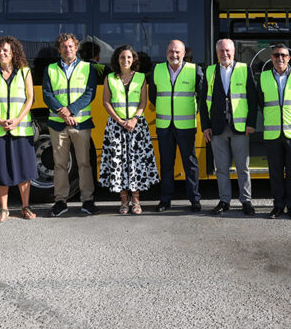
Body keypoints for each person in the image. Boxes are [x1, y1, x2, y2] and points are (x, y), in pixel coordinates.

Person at [42, 33, 99, 216]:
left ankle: (88, 200)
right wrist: (62, 112)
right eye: (64, 46)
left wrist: (71, 110)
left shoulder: (87, 68)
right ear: (59, 49)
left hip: (81, 123)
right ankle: (60, 201)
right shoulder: (50, 69)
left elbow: (90, 93)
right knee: (59, 164)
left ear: (76, 47)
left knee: (84, 163)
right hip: (57, 124)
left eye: (70, 46)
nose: (68, 49)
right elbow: (47, 94)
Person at [99, 45, 159, 214]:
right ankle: (124, 201)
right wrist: (119, 120)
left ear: (133, 60)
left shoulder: (140, 77)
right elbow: (106, 102)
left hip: (136, 126)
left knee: (135, 163)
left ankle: (136, 201)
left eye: (129, 57)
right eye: (122, 57)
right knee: (118, 163)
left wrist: (134, 119)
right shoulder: (110, 78)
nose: (125, 60)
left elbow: (143, 102)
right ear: (117, 60)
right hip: (116, 126)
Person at [0, 36, 37, 222]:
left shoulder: (25, 72)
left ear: (13, 52)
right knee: (1, 170)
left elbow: (30, 98)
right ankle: (4, 209)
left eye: (5, 50)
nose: (1, 53)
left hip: (20, 129)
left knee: (24, 170)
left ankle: (25, 206)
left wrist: (17, 120)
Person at [201, 39, 257, 216]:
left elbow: (253, 99)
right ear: (217, 53)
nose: (224, 54)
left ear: (234, 52)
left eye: (227, 50)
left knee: (243, 167)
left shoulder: (244, 69)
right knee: (221, 168)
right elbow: (203, 101)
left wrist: (251, 123)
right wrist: (205, 126)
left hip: (240, 127)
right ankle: (224, 200)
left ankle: (246, 201)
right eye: (221, 51)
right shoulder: (210, 71)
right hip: (217, 128)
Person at [149, 40, 207, 212]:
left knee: (190, 163)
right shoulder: (157, 69)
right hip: (164, 125)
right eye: (171, 51)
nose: (174, 55)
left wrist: (193, 110)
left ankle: (194, 199)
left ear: (184, 54)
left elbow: (202, 95)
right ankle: (165, 200)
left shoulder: (194, 70)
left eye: (177, 52)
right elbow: (153, 95)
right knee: (166, 164)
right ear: (166, 52)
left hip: (186, 124)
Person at [258, 44, 291, 219]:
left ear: (289, 58)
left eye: (283, 55)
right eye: (276, 55)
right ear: (271, 58)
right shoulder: (263, 77)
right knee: (275, 173)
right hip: (272, 133)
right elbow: (261, 102)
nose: (280, 58)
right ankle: (278, 206)